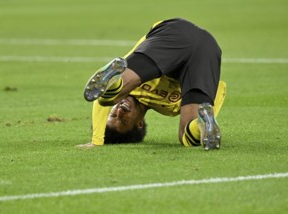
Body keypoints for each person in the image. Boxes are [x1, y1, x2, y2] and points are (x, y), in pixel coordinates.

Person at [81, 18, 227, 150]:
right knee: (186, 138)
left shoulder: (128, 89)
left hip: (174, 34)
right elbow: (219, 89)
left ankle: (111, 81)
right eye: (123, 120)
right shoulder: (169, 108)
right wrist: (208, 108)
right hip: (207, 50)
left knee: (106, 97)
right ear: (139, 124)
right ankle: (203, 124)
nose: (120, 111)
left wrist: (96, 141)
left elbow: (100, 100)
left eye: (113, 115)